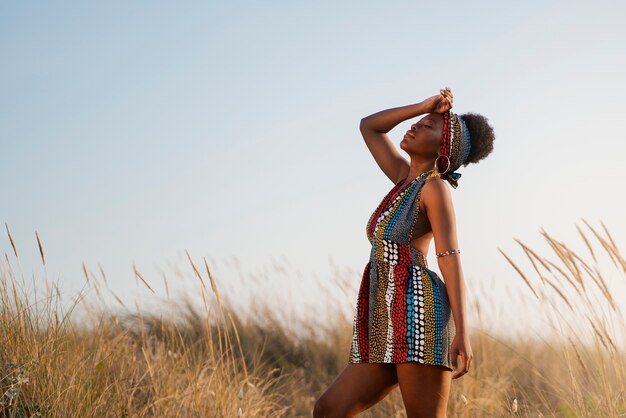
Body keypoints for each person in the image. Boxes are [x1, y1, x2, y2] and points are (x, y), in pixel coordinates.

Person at [313, 87, 495, 418]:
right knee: (328, 410)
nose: (414, 126)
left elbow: (449, 257)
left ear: (443, 150)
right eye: (419, 121)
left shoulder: (435, 188)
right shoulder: (402, 180)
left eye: (427, 126)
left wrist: (464, 334)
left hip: (419, 315)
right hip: (384, 315)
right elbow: (369, 126)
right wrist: (422, 106)